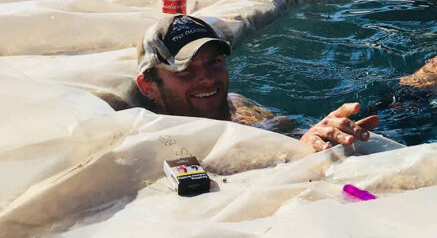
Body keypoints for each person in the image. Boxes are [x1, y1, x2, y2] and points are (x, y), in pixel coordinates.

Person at [135, 14, 379, 152]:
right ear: (148, 86)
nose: (208, 78)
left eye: (215, 62)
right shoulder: (153, 143)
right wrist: (295, 154)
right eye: (185, 69)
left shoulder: (236, 105)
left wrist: (318, 135)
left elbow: (289, 130)